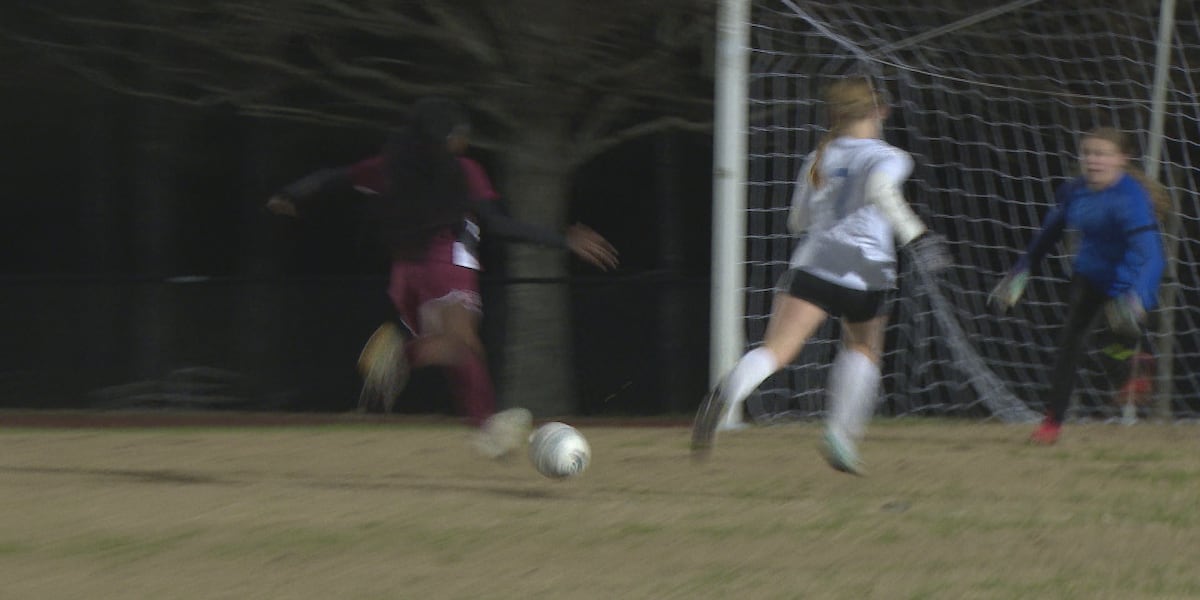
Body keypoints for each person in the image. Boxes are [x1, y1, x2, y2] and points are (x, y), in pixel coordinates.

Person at [266, 97, 619, 456]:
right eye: (462, 134)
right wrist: (562, 241)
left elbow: (332, 176)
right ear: (450, 138)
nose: (466, 141)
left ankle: (485, 428)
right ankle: (402, 356)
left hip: (407, 276)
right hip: (448, 263)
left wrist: (289, 194)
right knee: (460, 345)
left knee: (461, 353)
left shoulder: (389, 168)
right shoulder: (463, 170)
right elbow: (497, 224)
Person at [691, 76, 950, 474]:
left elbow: (797, 220)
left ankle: (729, 391)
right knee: (862, 348)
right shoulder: (889, 156)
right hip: (867, 272)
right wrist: (917, 236)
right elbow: (880, 188)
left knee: (777, 350)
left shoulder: (819, 156)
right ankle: (840, 437)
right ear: (880, 111)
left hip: (814, 264)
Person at [990, 126, 1167, 445]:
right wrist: (1020, 273)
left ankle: (1135, 367)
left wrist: (1138, 298)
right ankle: (1051, 424)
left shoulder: (1131, 200)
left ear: (1122, 159)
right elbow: (1049, 234)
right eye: (1088, 153)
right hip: (1088, 277)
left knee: (1112, 348)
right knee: (1069, 347)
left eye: (1103, 154)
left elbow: (1153, 256)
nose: (1094, 160)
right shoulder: (1074, 191)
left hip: (1127, 284)